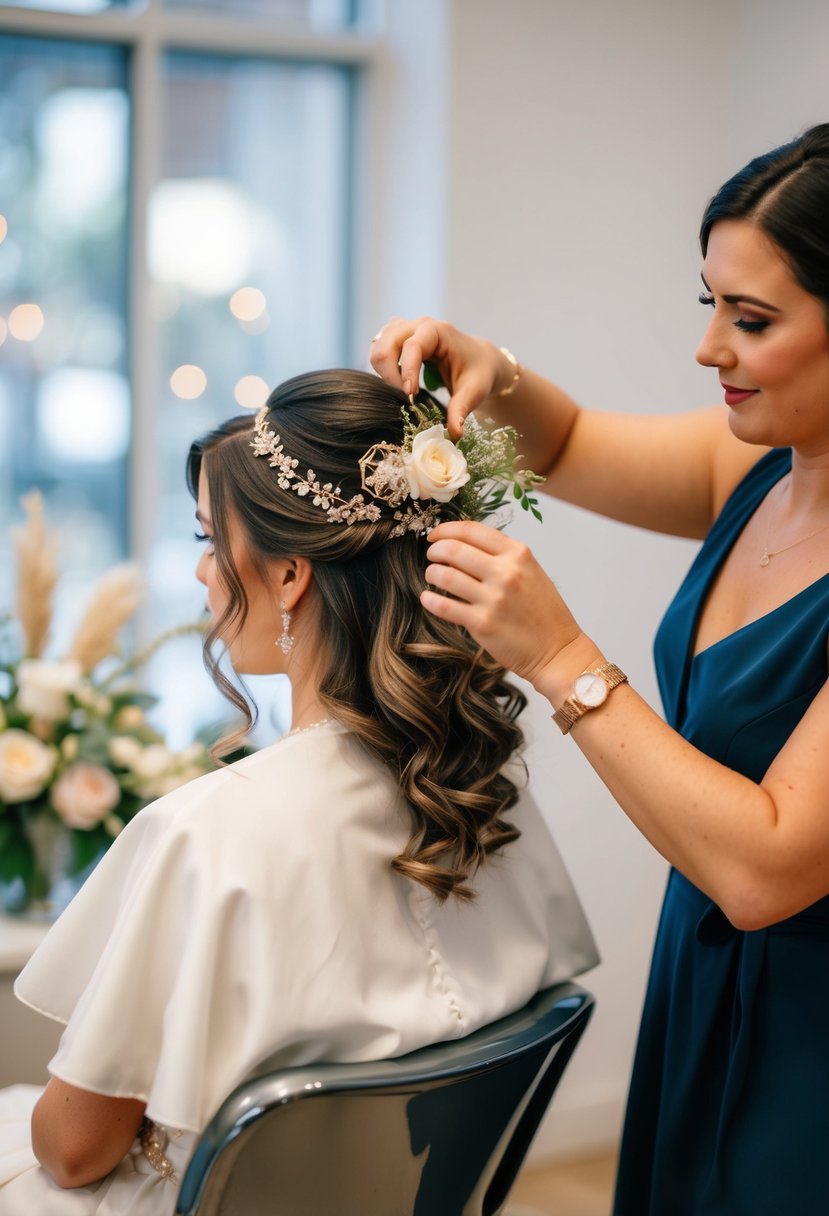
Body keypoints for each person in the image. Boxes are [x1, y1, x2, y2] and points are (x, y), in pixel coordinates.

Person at [0, 368, 597, 1215]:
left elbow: (71, 1149)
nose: (204, 575)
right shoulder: (480, 788)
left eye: (211, 540)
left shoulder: (202, 833)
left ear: (288, 577)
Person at [370, 123, 829, 1216]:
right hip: (708, 980)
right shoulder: (760, 465)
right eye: (706, 303)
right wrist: (491, 366)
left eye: (750, 319)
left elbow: (769, 869)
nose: (708, 348)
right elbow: (567, 446)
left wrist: (560, 656)